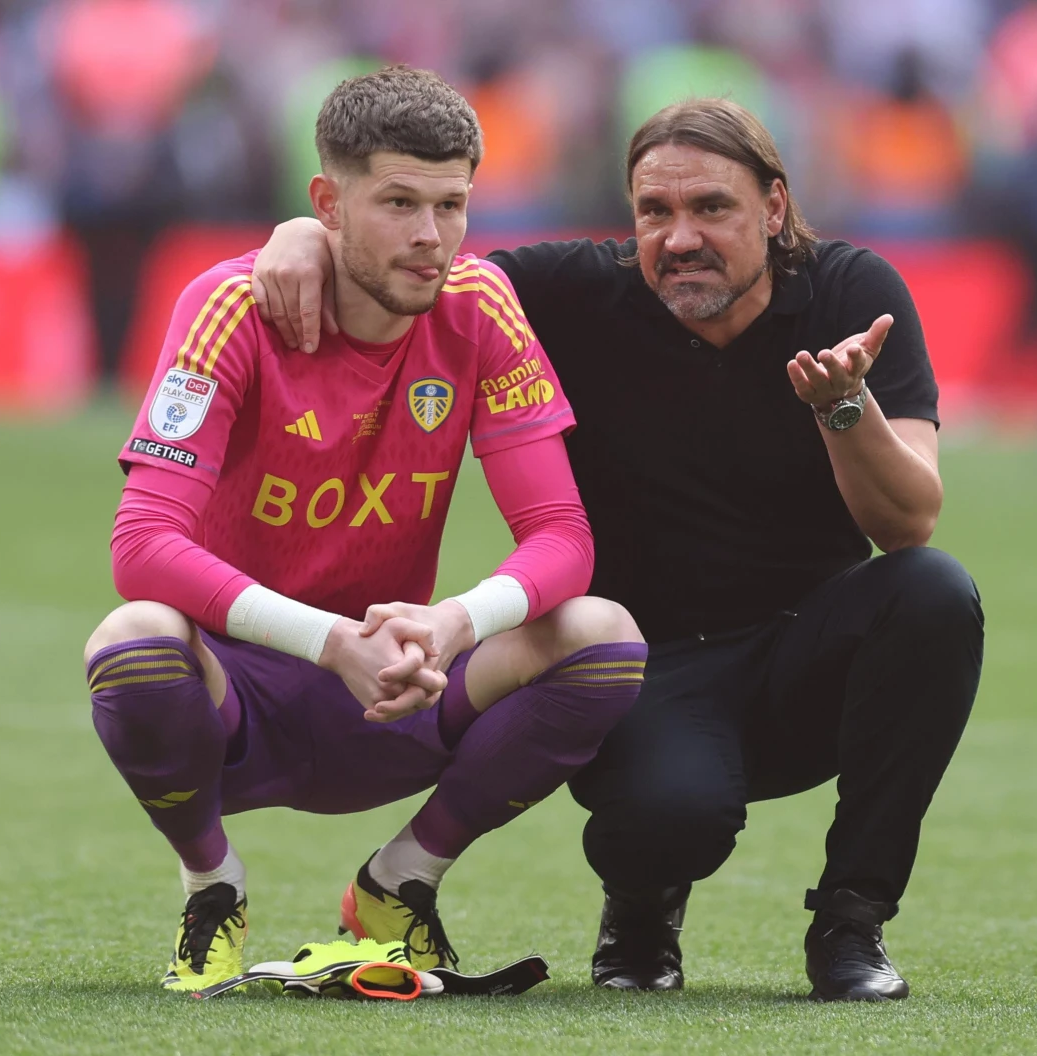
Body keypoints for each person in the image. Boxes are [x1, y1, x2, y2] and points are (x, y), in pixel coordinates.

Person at [251, 96, 985, 1002]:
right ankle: (640, 907)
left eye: (711, 207)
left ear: (775, 208)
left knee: (935, 594)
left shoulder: (851, 295)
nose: (679, 237)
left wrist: (841, 406)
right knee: (662, 823)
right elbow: (415, 260)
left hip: (805, 657)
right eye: (654, 212)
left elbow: (906, 524)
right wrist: (300, 234)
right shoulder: (569, 292)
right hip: (644, 664)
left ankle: (851, 923)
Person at [84, 66, 646, 993]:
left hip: (396, 680)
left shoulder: (479, 306)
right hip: (240, 695)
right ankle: (210, 885)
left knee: (603, 633)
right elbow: (140, 546)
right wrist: (325, 638)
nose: (431, 237)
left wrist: (452, 623)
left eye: (452, 204)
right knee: (133, 640)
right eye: (397, 203)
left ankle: (401, 882)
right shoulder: (230, 307)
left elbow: (562, 536)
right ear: (327, 204)